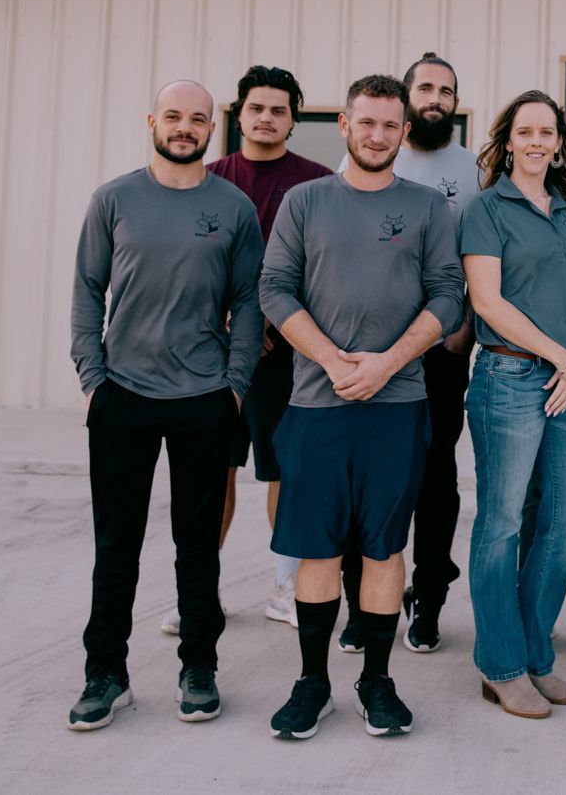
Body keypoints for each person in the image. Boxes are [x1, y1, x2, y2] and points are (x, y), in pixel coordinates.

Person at [259, 74, 465, 741]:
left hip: (398, 402)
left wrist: (386, 363)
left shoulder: (429, 207)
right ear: (344, 126)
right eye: (366, 122)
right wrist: (331, 358)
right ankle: (312, 683)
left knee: (383, 549)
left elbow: (446, 298)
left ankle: (377, 680)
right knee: (318, 550)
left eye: (390, 125)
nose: (378, 134)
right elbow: (275, 289)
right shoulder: (304, 201)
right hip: (316, 404)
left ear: (404, 134)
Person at [67, 80, 264, 730]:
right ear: (152, 120)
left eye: (198, 119)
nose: (185, 127)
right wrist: (93, 376)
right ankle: (106, 674)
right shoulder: (114, 199)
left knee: (197, 546)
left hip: (204, 398)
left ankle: (198, 668)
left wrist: (235, 385)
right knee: (115, 544)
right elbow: (87, 290)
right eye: (174, 116)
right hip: (121, 395)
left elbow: (249, 301)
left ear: (214, 129)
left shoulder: (233, 207)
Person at [462, 90, 566, 720]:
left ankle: (534, 649)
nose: (539, 141)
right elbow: (488, 303)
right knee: (503, 523)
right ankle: (502, 665)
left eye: (549, 132)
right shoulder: (487, 208)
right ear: (509, 140)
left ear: (558, 142)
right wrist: (558, 355)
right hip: (509, 377)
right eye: (527, 131)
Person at [335, 52, 480, 655]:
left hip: (441, 347)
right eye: (426, 88)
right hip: (369, 351)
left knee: (435, 478)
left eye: (447, 91)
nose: (436, 100)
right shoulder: (362, 158)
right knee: (362, 478)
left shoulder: (471, 167)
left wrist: (464, 328)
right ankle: (359, 601)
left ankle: (429, 599)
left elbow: (480, 255)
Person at [204, 65, 331, 632]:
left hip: (284, 356)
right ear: (240, 113)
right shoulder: (209, 178)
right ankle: (200, 589)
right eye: (257, 107)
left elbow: (321, 270)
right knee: (214, 471)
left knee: (284, 471)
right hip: (211, 355)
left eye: (279, 109)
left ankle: (285, 585)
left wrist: (276, 324)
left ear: (293, 119)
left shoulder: (315, 184)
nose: (267, 117)